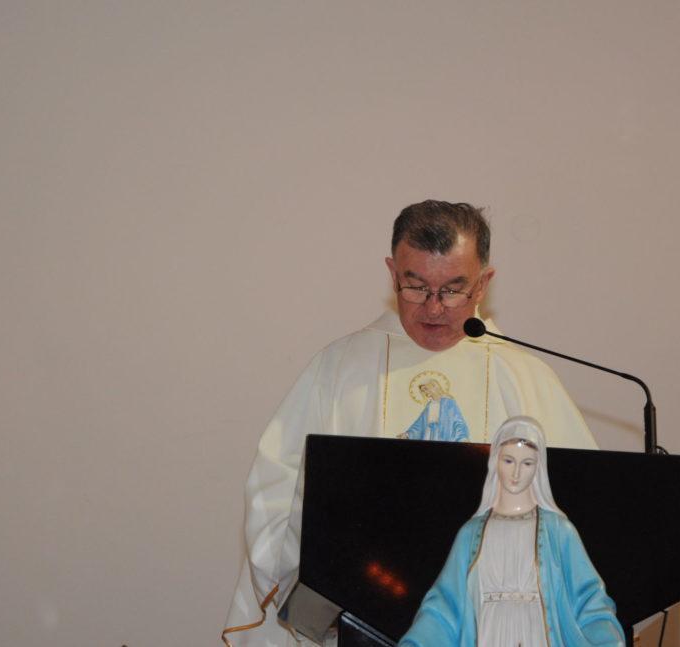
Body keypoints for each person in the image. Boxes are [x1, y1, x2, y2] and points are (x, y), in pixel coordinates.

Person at [222, 200, 598, 646]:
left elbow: (581, 510)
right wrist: (318, 595)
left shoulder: (524, 377)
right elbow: (276, 492)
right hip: (362, 621)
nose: (433, 309)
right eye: (416, 287)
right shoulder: (339, 370)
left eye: (453, 289)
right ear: (392, 274)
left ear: (484, 282)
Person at [399, 416, 624, 647]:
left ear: (539, 467)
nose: (516, 473)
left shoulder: (558, 531)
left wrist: (606, 639)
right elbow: (444, 607)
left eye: (527, 463)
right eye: (508, 460)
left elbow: (589, 600)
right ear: (495, 460)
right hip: (488, 636)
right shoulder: (471, 534)